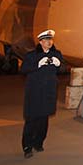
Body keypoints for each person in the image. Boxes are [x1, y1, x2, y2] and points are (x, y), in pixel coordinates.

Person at [21, 29, 63, 158]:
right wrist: (37, 65)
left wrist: (59, 64)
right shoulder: (31, 55)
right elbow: (23, 69)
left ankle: (38, 143)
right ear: (40, 42)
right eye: (46, 40)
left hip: (48, 92)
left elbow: (63, 69)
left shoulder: (56, 54)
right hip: (34, 92)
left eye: (50, 40)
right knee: (31, 120)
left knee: (43, 121)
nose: (49, 42)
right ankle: (27, 147)